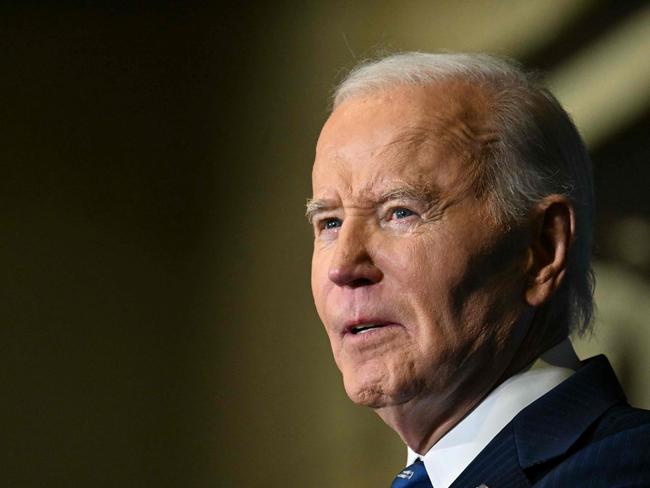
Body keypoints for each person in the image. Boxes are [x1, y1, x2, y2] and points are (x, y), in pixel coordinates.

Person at [307, 52, 650, 487]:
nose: (343, 266)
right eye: (330, 223)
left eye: (400, 212)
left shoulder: (624, 469)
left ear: (542, 249)